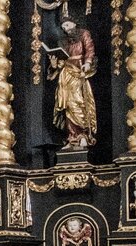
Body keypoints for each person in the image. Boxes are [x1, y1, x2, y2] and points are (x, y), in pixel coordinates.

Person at [50, 18, 97, 150]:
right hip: (66, 73)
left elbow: (89, 49)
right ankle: (72, 137)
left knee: (78, 102)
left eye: (67, 24)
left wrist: (88, 62)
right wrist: (55, 65)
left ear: (74, 23)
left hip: (79, 71)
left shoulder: (83, 34)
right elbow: (62, 59)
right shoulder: (63, 41)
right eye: (63, 26)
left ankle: (83, 135)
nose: (65, 28)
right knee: (68, 105)